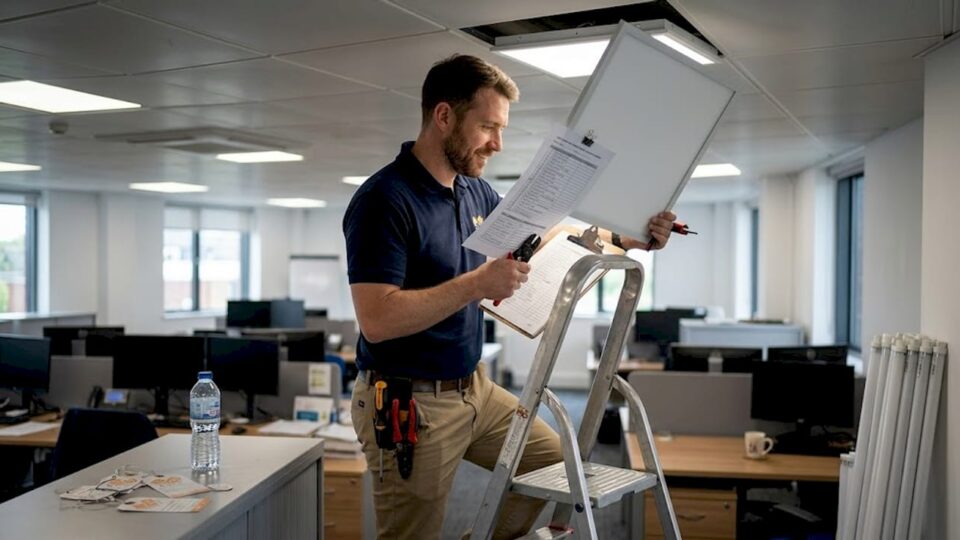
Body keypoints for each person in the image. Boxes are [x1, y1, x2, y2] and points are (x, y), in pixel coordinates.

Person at [343, 54, 677, 539]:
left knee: (556, 465)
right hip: (410, 402)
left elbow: (542, 239)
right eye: (487, 127)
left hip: (473, 388)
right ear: (444, 116)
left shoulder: (474, 192)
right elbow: (377, 319)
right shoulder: (384, 200)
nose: (497, 144)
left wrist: (626, 237)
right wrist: (477, 284)